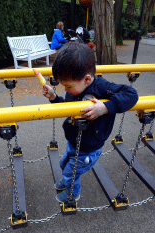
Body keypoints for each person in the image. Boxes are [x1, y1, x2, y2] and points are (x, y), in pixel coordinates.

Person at [42, 42, 138, 203]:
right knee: (63, 163)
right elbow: (68, 109)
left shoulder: (102, 87)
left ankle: (72, 193)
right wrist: (54, 98)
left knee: (71, 172)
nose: (66, 90)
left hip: (89, 148)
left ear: (87, 79)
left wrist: (106, 107)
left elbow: (131, 94)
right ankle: (67, 180)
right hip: (73, 141)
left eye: (68, 86)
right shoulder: (75, 88)